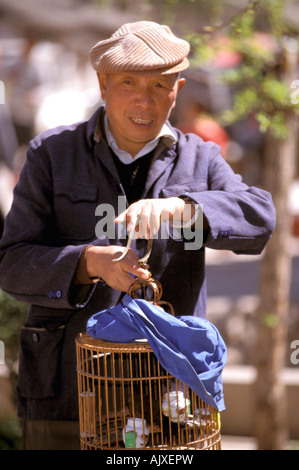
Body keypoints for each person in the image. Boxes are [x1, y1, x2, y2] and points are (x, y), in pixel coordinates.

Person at [0, 21, 275, 450]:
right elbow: (12, 265)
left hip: (171, 401)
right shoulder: (51, 155)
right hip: (67, 396)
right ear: (103, 84)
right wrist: (88, 263)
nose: (145, 101)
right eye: (129, 82)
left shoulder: (201, 159)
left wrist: (184, 208)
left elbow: (260, 217)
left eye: (161, 84)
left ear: (177, 89)